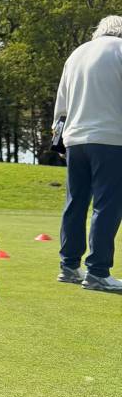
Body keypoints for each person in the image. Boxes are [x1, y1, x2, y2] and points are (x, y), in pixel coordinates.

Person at [54, 15, 122, 293]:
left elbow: (62, 102)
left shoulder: (77, 53)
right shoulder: (120, 50)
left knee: (76, 202)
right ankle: (97, 271)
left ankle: (69, 266)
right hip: (111, 137)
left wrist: (59, 139)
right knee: (107, 205)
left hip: (75, 138)